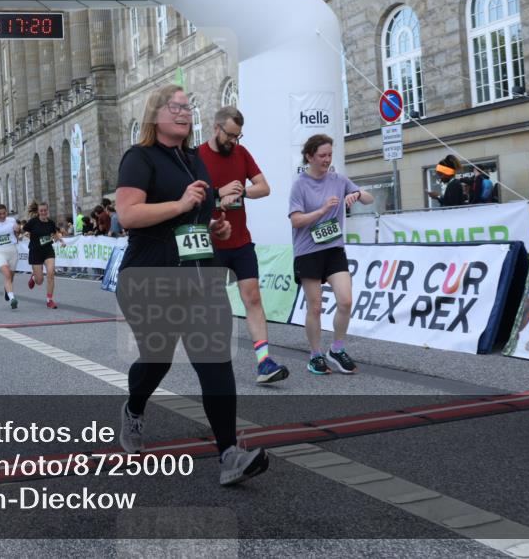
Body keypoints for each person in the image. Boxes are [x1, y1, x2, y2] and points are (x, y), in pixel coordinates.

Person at [115, 84, 268, 486]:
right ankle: (133, 409)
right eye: (175, 106)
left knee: (216, 362)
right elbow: (128, 215)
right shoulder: (139, 158)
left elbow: (200, 218)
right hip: (149, 276)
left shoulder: (193, 161)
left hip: (200, 274)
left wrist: (211, 223)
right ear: (156, 113)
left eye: (188, 107)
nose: (184, 112)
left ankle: (229, 454)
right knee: (157, 360)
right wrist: (182, 206)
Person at [198, 105, 288, 385]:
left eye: (238, 136)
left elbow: (265, 187)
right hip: (210, 242)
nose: (234, 142)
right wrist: (216, 196)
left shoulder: (241, 153)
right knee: (215, 306)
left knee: (253, 298)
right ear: (216, 128)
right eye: (230, 135)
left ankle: (264, 363)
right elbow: (187, 199)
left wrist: (241, 191)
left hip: (241, 241)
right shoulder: (197, 157)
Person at [289, 134, 374, 375]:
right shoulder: (300, 184)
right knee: (315, 307)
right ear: (309, 156)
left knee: (346, 300)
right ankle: (315, 355)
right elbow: (296, 221)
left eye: (329, 155)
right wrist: (323, 210)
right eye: (322, 156)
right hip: (308, 251)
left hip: (334, 249)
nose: (327, 160)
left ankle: (336, 349)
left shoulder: (338, 179)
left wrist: (357, 195)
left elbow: (369, 199)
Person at [24, 201, 63, 308]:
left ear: (47, 210)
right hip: (35, 252)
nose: (43, 212)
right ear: (38, 211)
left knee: (51, 273)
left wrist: (61, 241)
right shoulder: (33, 222)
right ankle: (34, 278)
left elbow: (54, 234)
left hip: (48, 250)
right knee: (39, 281)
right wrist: (24, 234)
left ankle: (49, 300)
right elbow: (24, 230)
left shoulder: (50, 222)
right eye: (41, 211)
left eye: (45, 210)